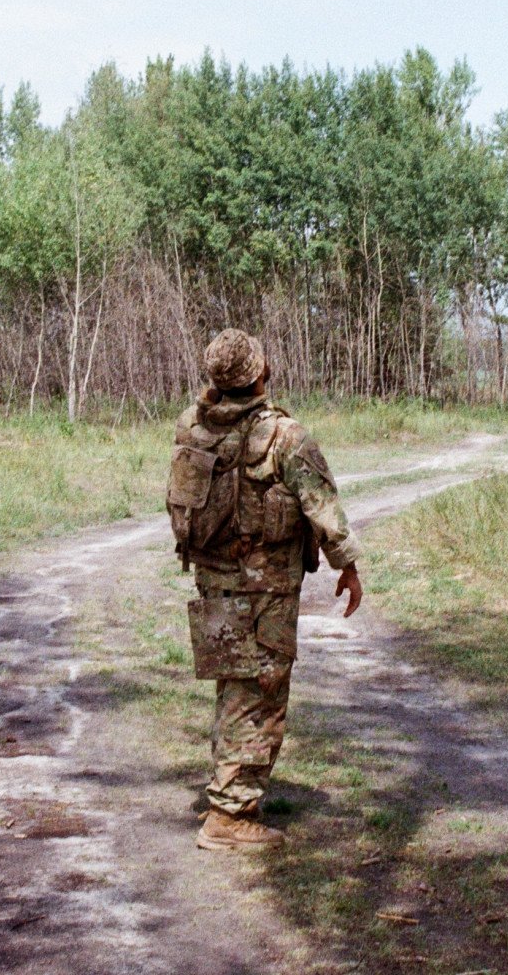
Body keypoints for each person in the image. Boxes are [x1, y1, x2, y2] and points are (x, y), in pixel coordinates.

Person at [166, 328, 362, 851]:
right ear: (259, 373)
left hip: (212, 581)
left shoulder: (192, 427)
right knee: (261, 693)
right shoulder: (285, 437)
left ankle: (228, 792)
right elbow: (322, 507)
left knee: (234, 687)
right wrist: (348, 566)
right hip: (265, 591)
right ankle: (229, 816)